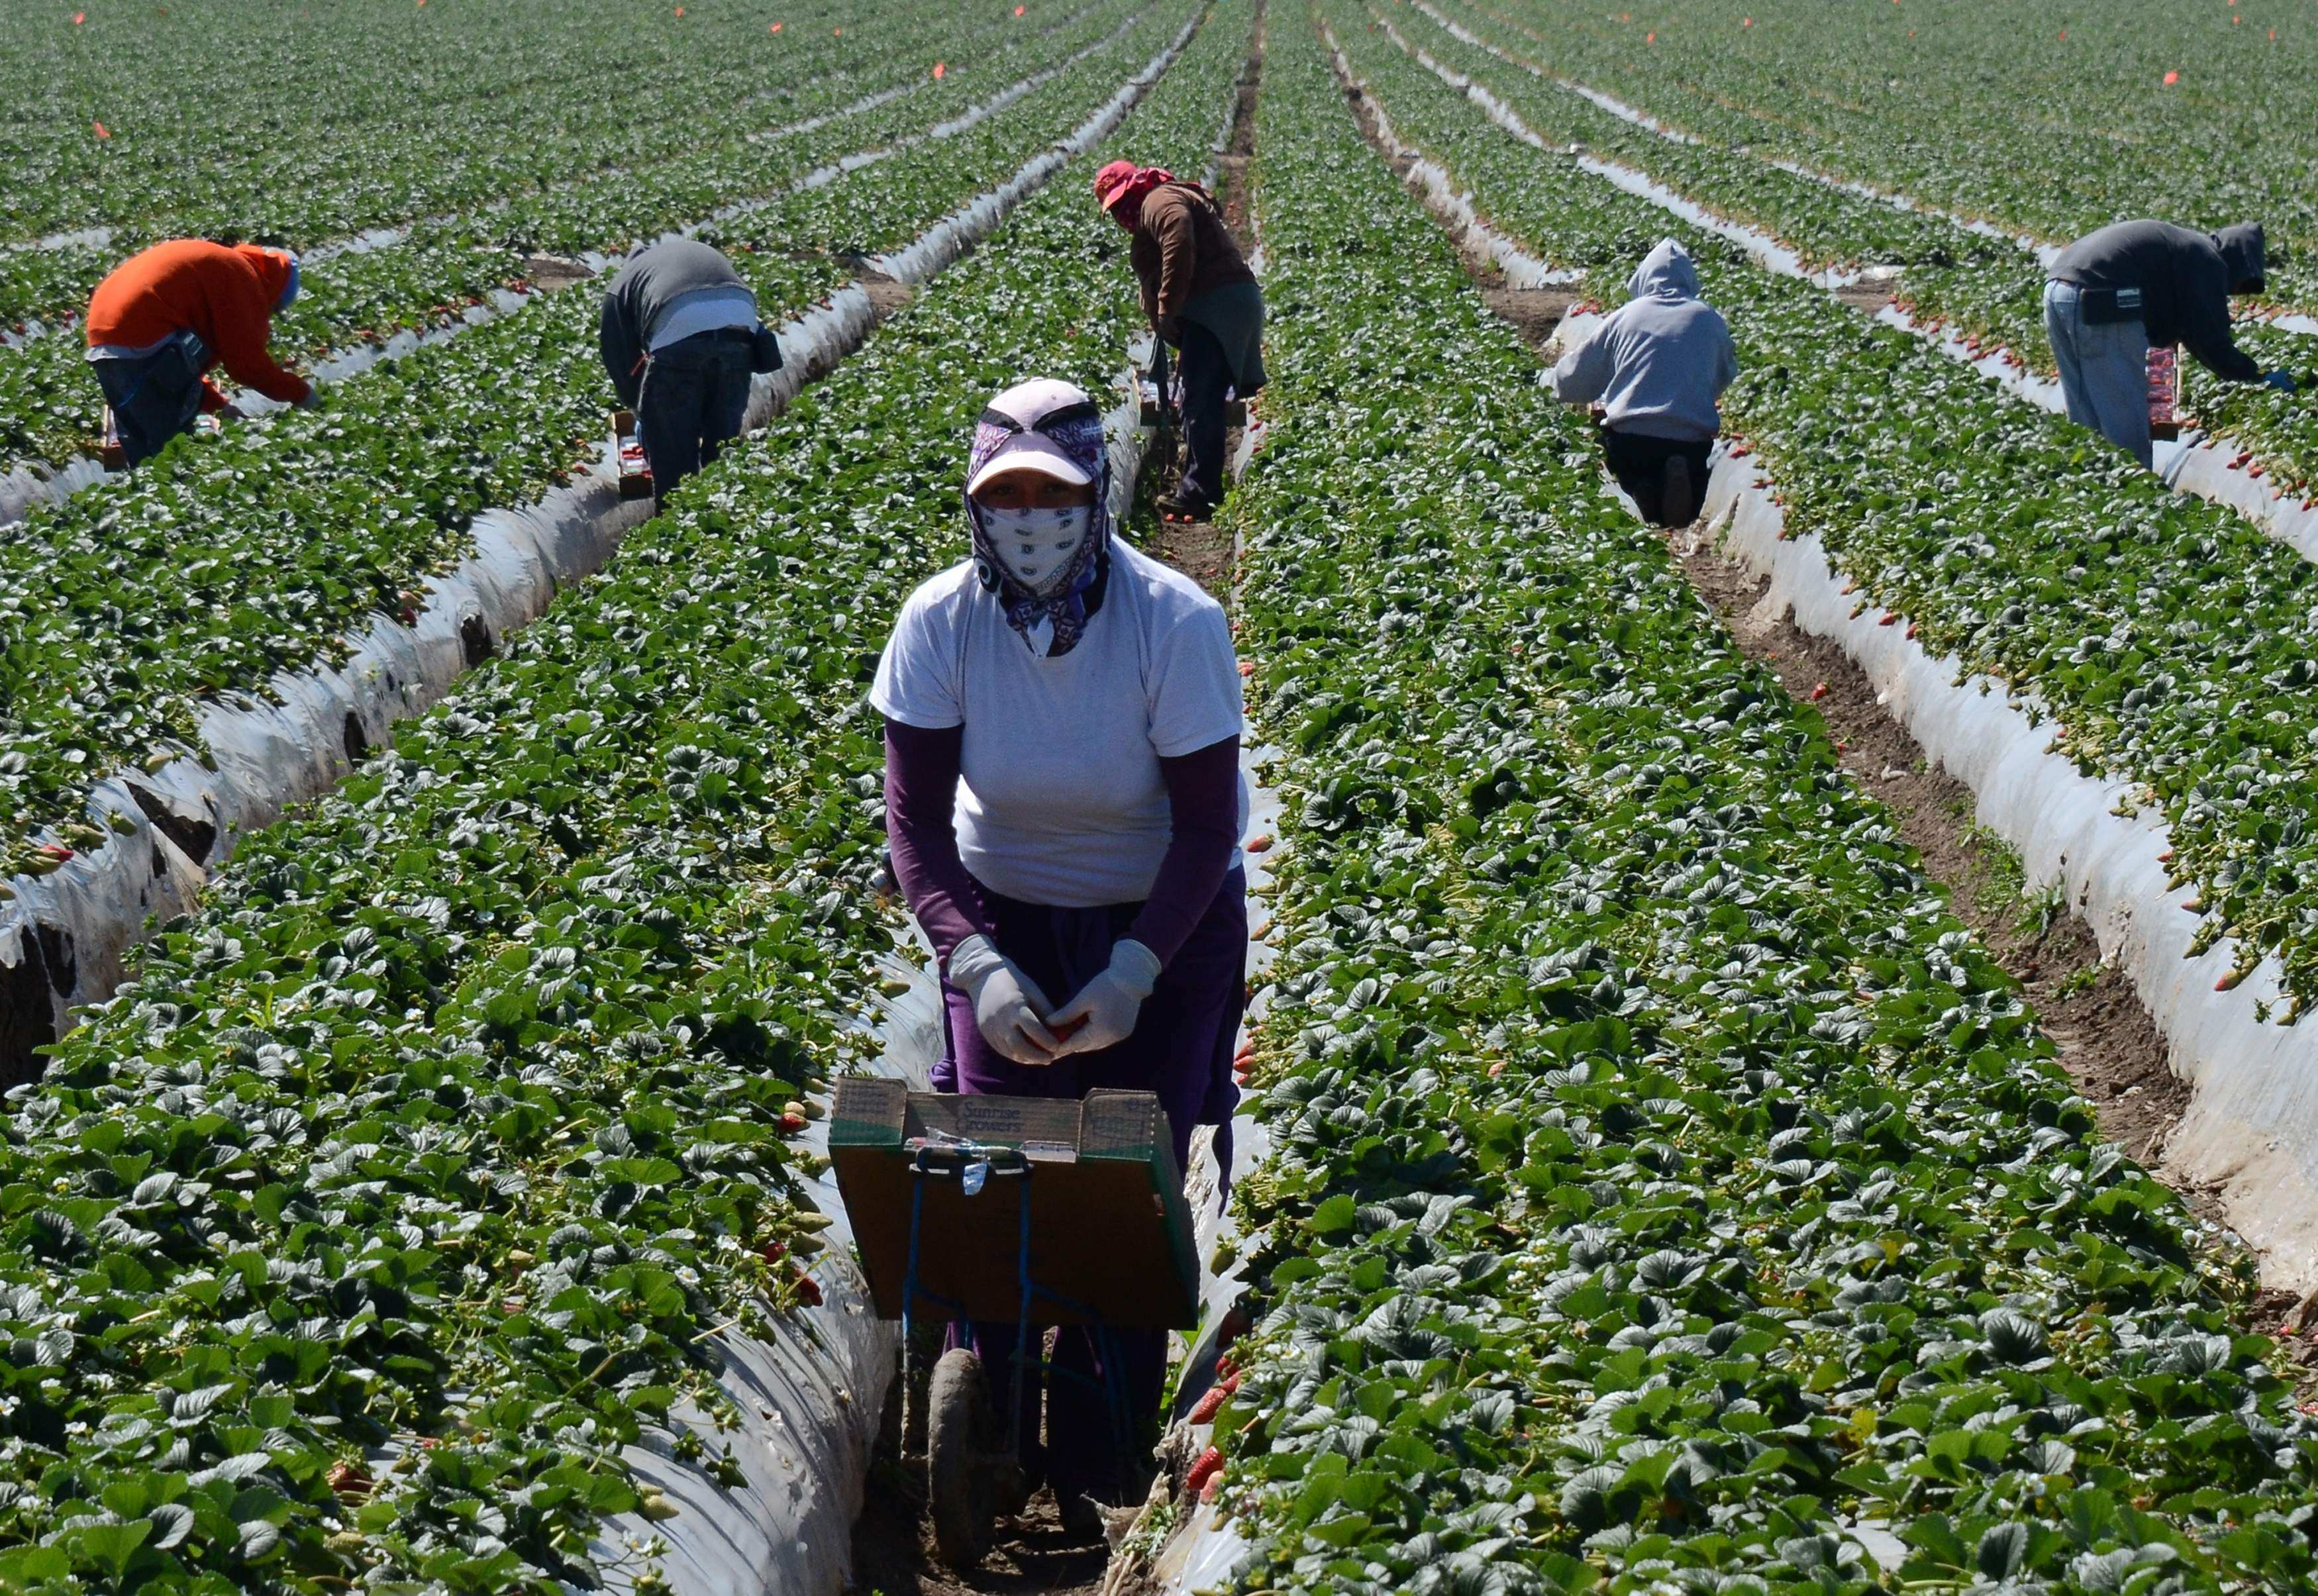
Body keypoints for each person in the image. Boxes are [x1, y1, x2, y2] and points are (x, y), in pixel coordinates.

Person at [871, 377, 1248, 1534]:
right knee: (997, 1177)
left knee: (1121, 1182)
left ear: (1097, 498)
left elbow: (1205, 826)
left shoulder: (1172, 621)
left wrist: (1135, 971)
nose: (1031, 519)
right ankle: (990, 1408)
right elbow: (917, 829)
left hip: (1163, 925)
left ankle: (1101, 1451)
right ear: (977, 505)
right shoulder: (940, 623)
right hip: (1006, 916)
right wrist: (976, 967)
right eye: (1009, 496)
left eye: (1056, 494)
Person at [1093, 160, 1265, 523]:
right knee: (1197, 398)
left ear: (1136, 187)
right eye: (1116, 209)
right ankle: (1198, 486)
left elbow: (1180, 240)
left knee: (1201, 400)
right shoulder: (1156, 205)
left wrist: (1168, 307)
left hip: (1218, 305)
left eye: (1124, 202)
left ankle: (1200, 494)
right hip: (1219, 304)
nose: (1123, 213)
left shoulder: (1160, 200)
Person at [2044, 220, 2293, 469]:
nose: (2230, 293)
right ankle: (2134, 486)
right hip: (2103, 295)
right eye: (2237, 286)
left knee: (2085, 411)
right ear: (2236, 263)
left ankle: (2094, 485)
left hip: (2058, 289)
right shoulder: (2207, 259)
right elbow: (2210, 340)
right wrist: (2253, 376)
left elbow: (2166, 328)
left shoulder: (2183, 249)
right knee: (2126, 419)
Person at [1548, 237, 1737, 528]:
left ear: (1644, 277)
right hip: (1691, 444)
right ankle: (1677, 488)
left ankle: (1640, 492)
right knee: (1693, 470)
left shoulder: (1625, 318)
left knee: (1626, 467)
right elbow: (1724, 375)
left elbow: (1577, 380)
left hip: (1632, 441)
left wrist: (1548, 382)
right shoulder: (1710, 319)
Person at [84, 239, 314, 466]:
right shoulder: (242, 278)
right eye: (275, 308)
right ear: (274, 291)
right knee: (174, 453)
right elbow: (248, 366)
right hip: (141, 338)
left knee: (146, 453)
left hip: (104, 341)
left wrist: (220, 406)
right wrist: (303, 395)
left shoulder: (219, 263)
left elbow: (186, 366)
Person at [597, 236, 783, 502]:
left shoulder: (623, 283)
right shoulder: (682, 255)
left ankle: (678, 524)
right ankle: (724, 519)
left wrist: (645, 414)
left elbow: (619, 359)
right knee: (721, 442)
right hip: (740, 323)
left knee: (673, 454)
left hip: (680, 328)